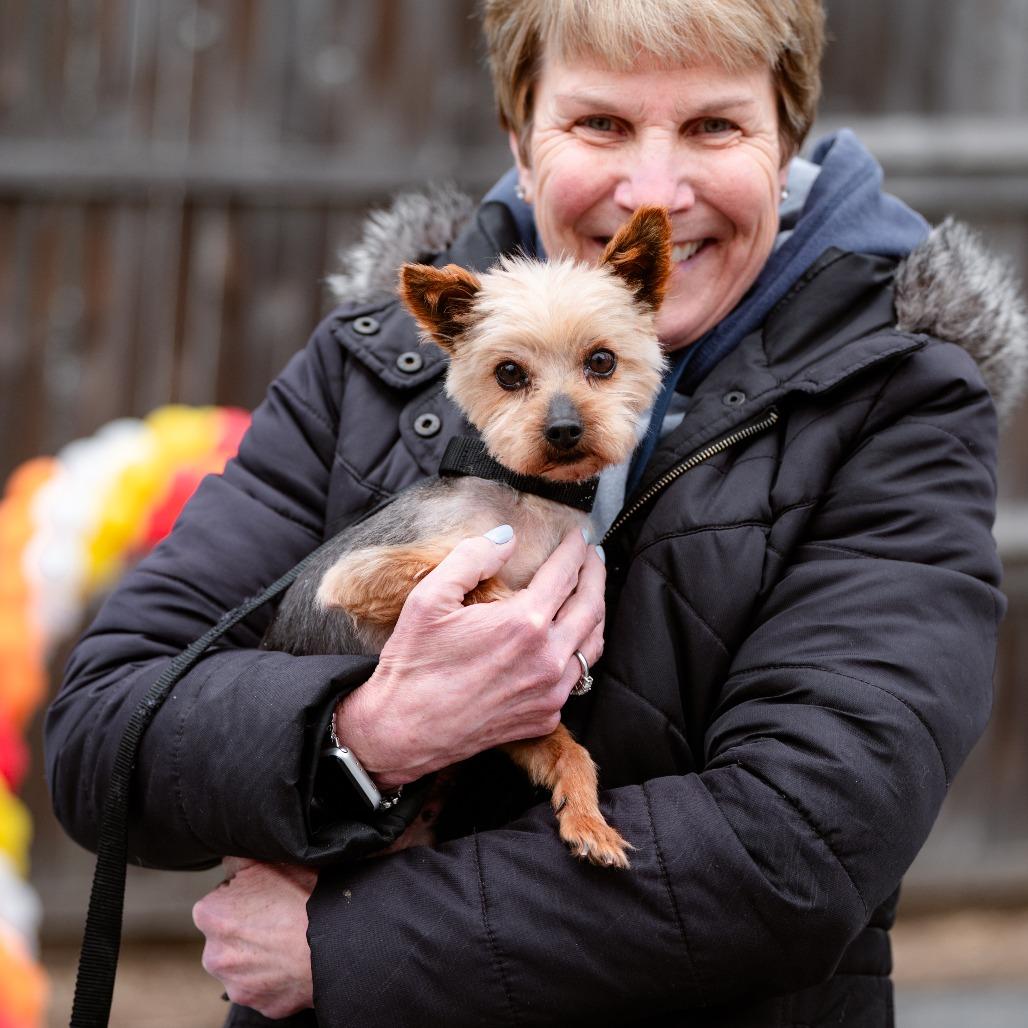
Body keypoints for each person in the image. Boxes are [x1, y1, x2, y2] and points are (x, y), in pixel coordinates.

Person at [46, 1, 1027, 1025]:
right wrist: (366, 735)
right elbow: (109, 729)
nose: (653, 188)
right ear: (519, 140)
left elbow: (800, 845)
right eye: (598, 124)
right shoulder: (372, 361)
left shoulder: (893, 401)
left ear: (784, 144)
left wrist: (346, 940)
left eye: (712, 126)